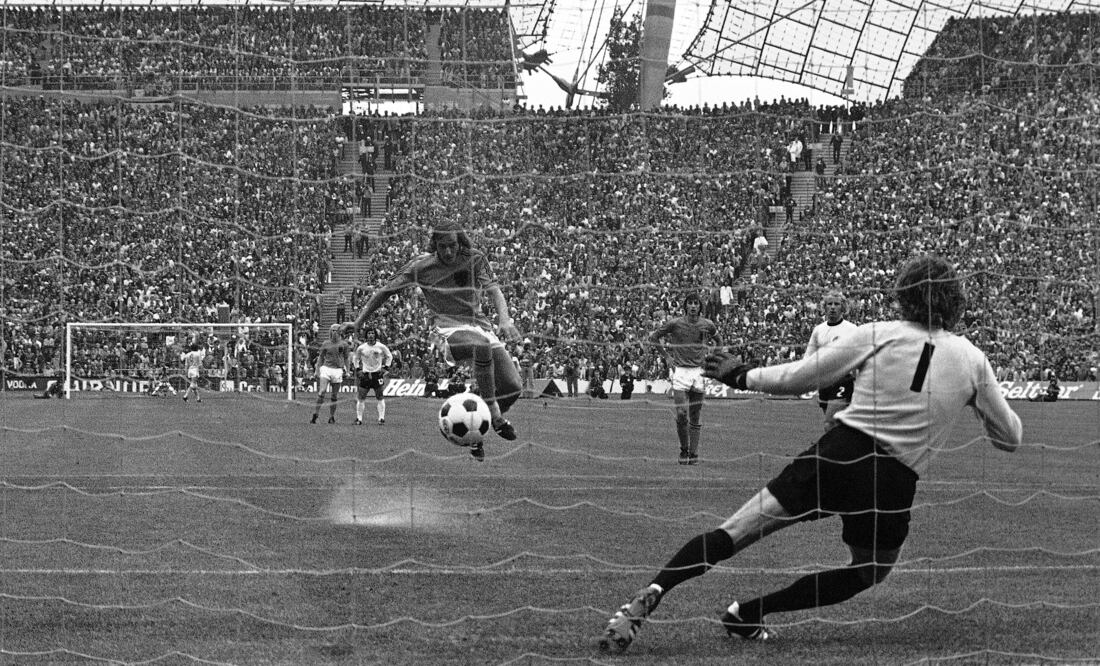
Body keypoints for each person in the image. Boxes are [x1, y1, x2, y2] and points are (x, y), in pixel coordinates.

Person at [600, 255, 1022, 653]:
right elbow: (1010, 437)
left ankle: (652, 593)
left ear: (904, 294)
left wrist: (742, 375)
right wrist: (974, 403)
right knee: (867, 571)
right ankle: (748, 613)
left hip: (840, 453)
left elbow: (801, 377)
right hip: (892, 481)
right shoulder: (973, 359)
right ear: (956, 302)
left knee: (737, 531)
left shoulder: (878, 332)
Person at [345, 221, 523, 455]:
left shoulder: (476, 258)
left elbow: (495, 291)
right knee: (480, 347)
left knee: (512, 387)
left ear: (460, 242)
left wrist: (505, 319)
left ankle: (474, 432)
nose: (448, 252)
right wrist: (358, 322)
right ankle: (496, 417)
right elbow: (386, 291)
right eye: (442, 247)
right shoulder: (421, 266)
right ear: (434, 245)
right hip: (445, 329)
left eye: (452, 246)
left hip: (480, 326)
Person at [648, 293, 721, 465]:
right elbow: (653, 338)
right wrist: (666, 357)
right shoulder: (675, 323)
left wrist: (713, 359)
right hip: (680, 371)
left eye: (696, 303)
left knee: (695, 415)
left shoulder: (707, 324)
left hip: (699, 372)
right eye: (690, 303)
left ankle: (694, 454)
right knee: (681, 413)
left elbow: (719, 341)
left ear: (700, 306)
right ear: (686, 306)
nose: (693, 306)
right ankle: (684, 450)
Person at [804, 289, 859, 430]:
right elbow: (808, 357)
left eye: (836, 304)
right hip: (824, 381)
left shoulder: (851, 329)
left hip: (843, 380)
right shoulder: (818, 330)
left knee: (830, 423)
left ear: (843, 307)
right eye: (829, 304)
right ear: (824, 307)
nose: (833, 307)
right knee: (838, 426)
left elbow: (860, 355)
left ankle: (829, 451)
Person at [311, 324, 351, 424]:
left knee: (334, 396)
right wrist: (317, 370)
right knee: (322, 391)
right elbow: (321, 357)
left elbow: (346, 358)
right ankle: (315, 414)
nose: (333, 332)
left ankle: (331, 416)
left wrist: (348, 371)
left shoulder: (344, 344)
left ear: (339, 332)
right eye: (332, 330)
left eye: (335, 330)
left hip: (337, 370)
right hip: (326, 368)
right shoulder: (326, 343)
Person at [352, 327, 393, 425]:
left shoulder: (381, 346)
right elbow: (355, 358)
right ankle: (359, 418)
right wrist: (358, 370)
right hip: (365, 375)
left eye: (372, 333)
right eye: (369, 333)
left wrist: (386, 368)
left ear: (375, 335)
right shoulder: (361, 348)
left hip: (377, 374)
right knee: (361, 397)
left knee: (380, 396)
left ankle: (381, 418)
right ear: (366, 335)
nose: (371, 335)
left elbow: (389, 356)